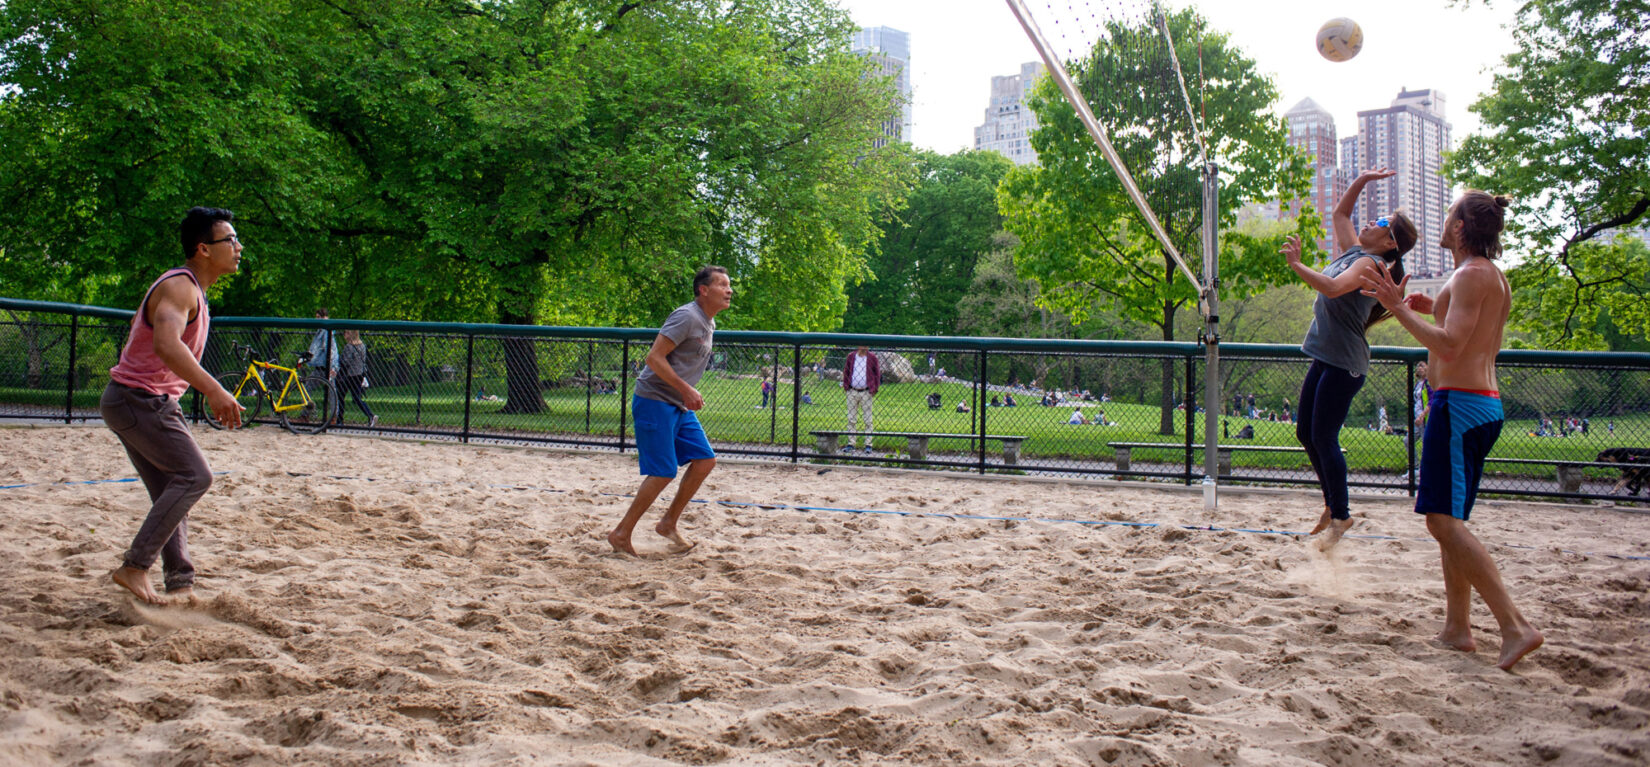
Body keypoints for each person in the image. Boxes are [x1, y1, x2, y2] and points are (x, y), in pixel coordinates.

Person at [1360, 189, 1542, 671]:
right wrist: (1426, 307)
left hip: (1460, 406)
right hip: (1475, 404)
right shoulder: (1489, 276)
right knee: (1448, 522)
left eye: (1449, 215)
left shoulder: (1469, 276)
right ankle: (1457, 629)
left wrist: (1397, 310)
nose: (1442, 221)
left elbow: (1453, 346)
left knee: (1441, 522)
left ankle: (1514, 626)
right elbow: (1468, 334)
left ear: (1460, 227)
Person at [103, 207, 246, 605]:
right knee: (195, 478)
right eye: (230, 240)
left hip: (141, 401)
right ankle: (135, 567)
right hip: (139, 401)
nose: (238, 247)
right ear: (203, 248)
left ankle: (180, 582)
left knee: (174, 488)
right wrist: (215, 391)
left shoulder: (191, 288)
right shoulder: (180, 287)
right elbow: (167, 345)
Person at [1282, 167, 1419, 549]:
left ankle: (1341, 514)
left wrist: (1297, 265)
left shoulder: (1369, 266)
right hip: (1327, 356)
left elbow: (1332, 286)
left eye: (1380, 223)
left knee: (1324, 435)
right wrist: (1362, 181)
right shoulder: (1355, 252)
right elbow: (1341, 215)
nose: (1369, 224)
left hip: (1346, 364)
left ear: (1390, 242)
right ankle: (1332, 506)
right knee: (1305, 433)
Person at [607, 265, 732, 557]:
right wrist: (687, 389)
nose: (729, 290)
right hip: (654, 400)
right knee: (663, 472)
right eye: (722, 285)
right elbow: (653, 358)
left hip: (677, 403)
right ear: (703, 290)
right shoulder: (686, 316)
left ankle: (668, 523)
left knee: (705, 461)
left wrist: (684, 393)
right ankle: (621, 533)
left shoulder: (708, 322)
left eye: (729, 285)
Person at [842, 345, 880, 453]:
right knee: (851, 418)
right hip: (852, 390)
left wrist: (874, 389)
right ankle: (851, 443)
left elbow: (877, 373)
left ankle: (868, 444)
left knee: (868, 419)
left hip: (866, 391)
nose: (864, 347)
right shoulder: (851, 356)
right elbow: (847, 371)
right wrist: (846, 386)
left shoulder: (872, 357)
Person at [337, 329, 377, 427]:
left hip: (350, 375)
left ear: (350, 334)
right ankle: (370, 415)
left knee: (341, 396)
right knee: (356, 397)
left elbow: (345, 361)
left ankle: (340, 419)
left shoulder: (349, 347)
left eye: (346, 333)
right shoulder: (362, 346)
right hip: (359, 374)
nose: (344, 335)